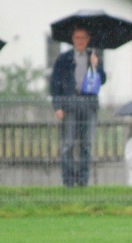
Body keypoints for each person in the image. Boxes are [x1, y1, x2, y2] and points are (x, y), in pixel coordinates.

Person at [50, 27, 106, 187]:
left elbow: (102, 80)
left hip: (89, 104)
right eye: (77, 38)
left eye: (83, 38)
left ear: (88, 39)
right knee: (68, 144)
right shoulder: (64, 58)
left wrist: (96, 66)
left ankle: (83, 181)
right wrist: (57, 106)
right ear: (73, 39)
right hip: (70, 104)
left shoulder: (94, 56)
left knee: (86, 144)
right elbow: (55, 83)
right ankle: (68, 181)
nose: (80, 41)